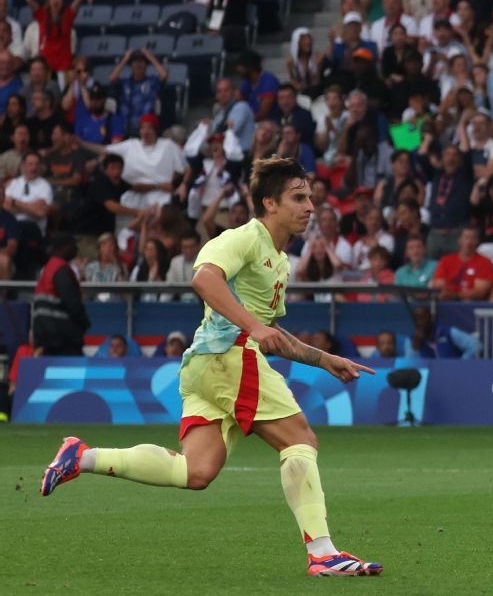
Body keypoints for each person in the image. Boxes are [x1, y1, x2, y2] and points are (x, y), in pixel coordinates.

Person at [39, 156, 384, 578]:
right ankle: (324, 553)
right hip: (230, 357)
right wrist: (254, 326)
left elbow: (271, 332)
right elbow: (204, 279)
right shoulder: (245, 238)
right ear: (268, 202)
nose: (309, 206)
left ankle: (83, 457)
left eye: (309, 196)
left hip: (207, 364)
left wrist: (323, 359)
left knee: (196, 471)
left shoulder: (279, 260)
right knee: (299, 439)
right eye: (298, 197)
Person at [31, 235, 89, 356]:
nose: (76, 249)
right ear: (65, 248)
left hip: (47, 338)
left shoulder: (48, 269)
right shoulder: (61, 270)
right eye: (73, 245)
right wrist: (84, 324)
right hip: (63, 340)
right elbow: (73, 304)